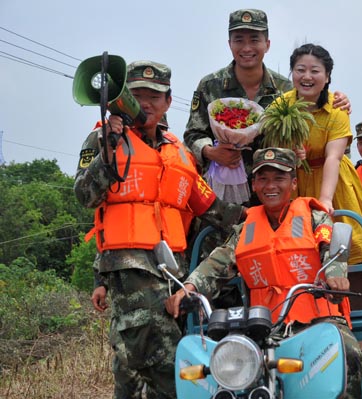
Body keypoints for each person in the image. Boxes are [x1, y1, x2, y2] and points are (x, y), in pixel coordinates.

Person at [74, 61, 244, 399]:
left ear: (168, 102)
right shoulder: (103, 138)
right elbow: (84, 195)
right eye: (137, 95)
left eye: (154, 96)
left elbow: (210, 207)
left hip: (173, 273)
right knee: (164, 365)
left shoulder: (178, 152)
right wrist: (108, 150)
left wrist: (255, 217)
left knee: (134, 369)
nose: (146, 103)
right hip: (130, 270)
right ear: (123, 100)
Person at [165, 147, 362, 398]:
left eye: (279, 178)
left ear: (293, 183)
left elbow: (331, 248)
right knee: (225, 369)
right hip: (265, 325)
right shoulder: (245, 228)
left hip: (318, 321)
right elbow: (217, 262)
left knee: (348, 355)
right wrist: (189, 287)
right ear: (254, 185)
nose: (270, 185)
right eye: (263, 178)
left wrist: (336, 274)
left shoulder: (314, 216)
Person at [184, 9, 349, 207]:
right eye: (239, 40)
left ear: (267, 44)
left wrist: (338, 100)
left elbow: (316, 111)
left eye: (254, 40)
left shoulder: (286, 90)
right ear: (229, 44)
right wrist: (210, 152)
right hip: (221, 196)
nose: (246, 48)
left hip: (272, 195)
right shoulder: (210, 85)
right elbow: (193, 133)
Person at [277, 43, 362, 265]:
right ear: (292, 73)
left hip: (333, 182)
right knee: (301, 252)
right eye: (300, 70)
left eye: (315, 71)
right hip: (296, 182)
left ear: (327, 77)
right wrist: (290, 153)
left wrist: (325, 199)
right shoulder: (280, 106)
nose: (307, 76)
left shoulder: (337, 108)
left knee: (348, 249)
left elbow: (333, 157)